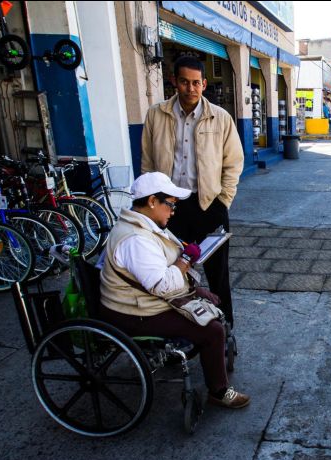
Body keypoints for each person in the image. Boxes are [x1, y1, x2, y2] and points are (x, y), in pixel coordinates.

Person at [99, 172, 250, 408]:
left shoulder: (148, 224)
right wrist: (185, 261)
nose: (173, 211)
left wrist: (194, 285)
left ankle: (203, 364)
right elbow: (163, 285)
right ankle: (219, 391)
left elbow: (166, 268)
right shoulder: (136, 239)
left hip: (144, 300)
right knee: (213, 331)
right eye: (169, 204)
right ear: (151, 201)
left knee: (210, 311)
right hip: (135, 312)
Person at [141, 56, 243, 324]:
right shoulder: (156, 114)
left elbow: (233, 163)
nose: (190, 88)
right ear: (174, 81)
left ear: (204, 84)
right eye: (184, 82)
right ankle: (184, 328)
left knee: (217, 273)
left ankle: (224, 328)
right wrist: (151, 207)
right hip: (169, 209)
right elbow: (147, 163)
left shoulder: (220, 118)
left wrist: (223, 202)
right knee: (174, 271)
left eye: (196, 83)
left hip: (209, 206)